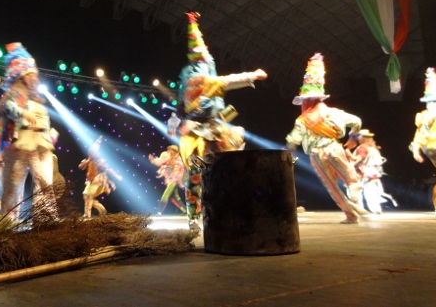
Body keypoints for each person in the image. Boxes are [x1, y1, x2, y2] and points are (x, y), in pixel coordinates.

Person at [168, 12, 267, 229]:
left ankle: (196, 216)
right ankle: (205, 214)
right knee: (210, 169)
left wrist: (173, 125)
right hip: (202, 133)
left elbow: (178, 109)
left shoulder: (187, 82)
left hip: (200, 131)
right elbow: (231, 80)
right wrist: (254, 75)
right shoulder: (206, 79)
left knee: (196, 174)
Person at [285, 53, 368, 224]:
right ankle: (356, 200)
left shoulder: (302, 120)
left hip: (317, 155)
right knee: (350, 178)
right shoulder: (334, 112)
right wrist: (353, 138)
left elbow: (293, 141)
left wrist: (288, 152)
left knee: (332, 186)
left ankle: (351, 214)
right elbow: (357, 122)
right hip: (335, 148)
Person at [0, 42, 59, 223]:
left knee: (45, 184)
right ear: (22, 77)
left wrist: (50, 134)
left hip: (40, 145)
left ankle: (45, 220)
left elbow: (45, 123)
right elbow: (7, 107)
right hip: (20, 144)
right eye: (30, 75)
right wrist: (22, 112)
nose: (35, 79)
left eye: (35, 75)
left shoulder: (38, 99)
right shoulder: (15, 93)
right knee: (13, 186)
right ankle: (7, 223)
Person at [410, 67, 436, 220]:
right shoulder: (433, 114)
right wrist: (415, 149)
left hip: (431, 149)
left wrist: (416, 150)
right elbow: (421, 133)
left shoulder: (426, 114)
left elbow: (419, 134)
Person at [352, 129, 397, 214]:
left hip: (363, 173)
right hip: (373, 173)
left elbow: (361, 156)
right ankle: (376, 209)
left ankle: (359, 209)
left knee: (356, 192)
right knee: (371, 192)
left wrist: (352, 163)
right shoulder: (373, 149)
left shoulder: (362, 148)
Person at [78, 136, 122, 219]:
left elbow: (109, 169)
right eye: (90, 152)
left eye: (93, 152)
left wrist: (117, 176)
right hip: (91, 182)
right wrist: (85, 162)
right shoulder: (88, 161)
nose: (91, 153)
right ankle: (101, 209)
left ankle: (87, 215)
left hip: (96, 181)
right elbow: (80, 167)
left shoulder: (99, 162)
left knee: (88, 196)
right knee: (87, 197)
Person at [148, 145, 187, 216]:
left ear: (175, 151)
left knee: (166, 195)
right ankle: (185, 210)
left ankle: (159, 212)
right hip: (170, 179)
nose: (170, 152)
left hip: (174, 180)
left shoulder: (179, 160)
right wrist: (153, 160)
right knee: (174, 197)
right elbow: (160, 161)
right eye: (169, 150)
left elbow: (181, 171)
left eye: (171, 150)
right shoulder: (169, 157)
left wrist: (179, 180)